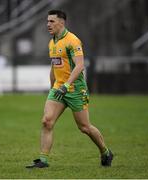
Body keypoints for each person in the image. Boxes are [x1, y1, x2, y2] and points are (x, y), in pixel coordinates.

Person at [26, 10, 113, 169]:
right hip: (59, 88)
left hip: (75, 89)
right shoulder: (52, 42)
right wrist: (52, 86)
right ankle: (43, 160)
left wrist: (66, 85)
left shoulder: (73, 40)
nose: (48, 24)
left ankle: (105, 152)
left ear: (62, 22)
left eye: (52, 21)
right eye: (47, 21)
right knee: (47, 121)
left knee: (84, 127)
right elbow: (54, 66)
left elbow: (80, 65)